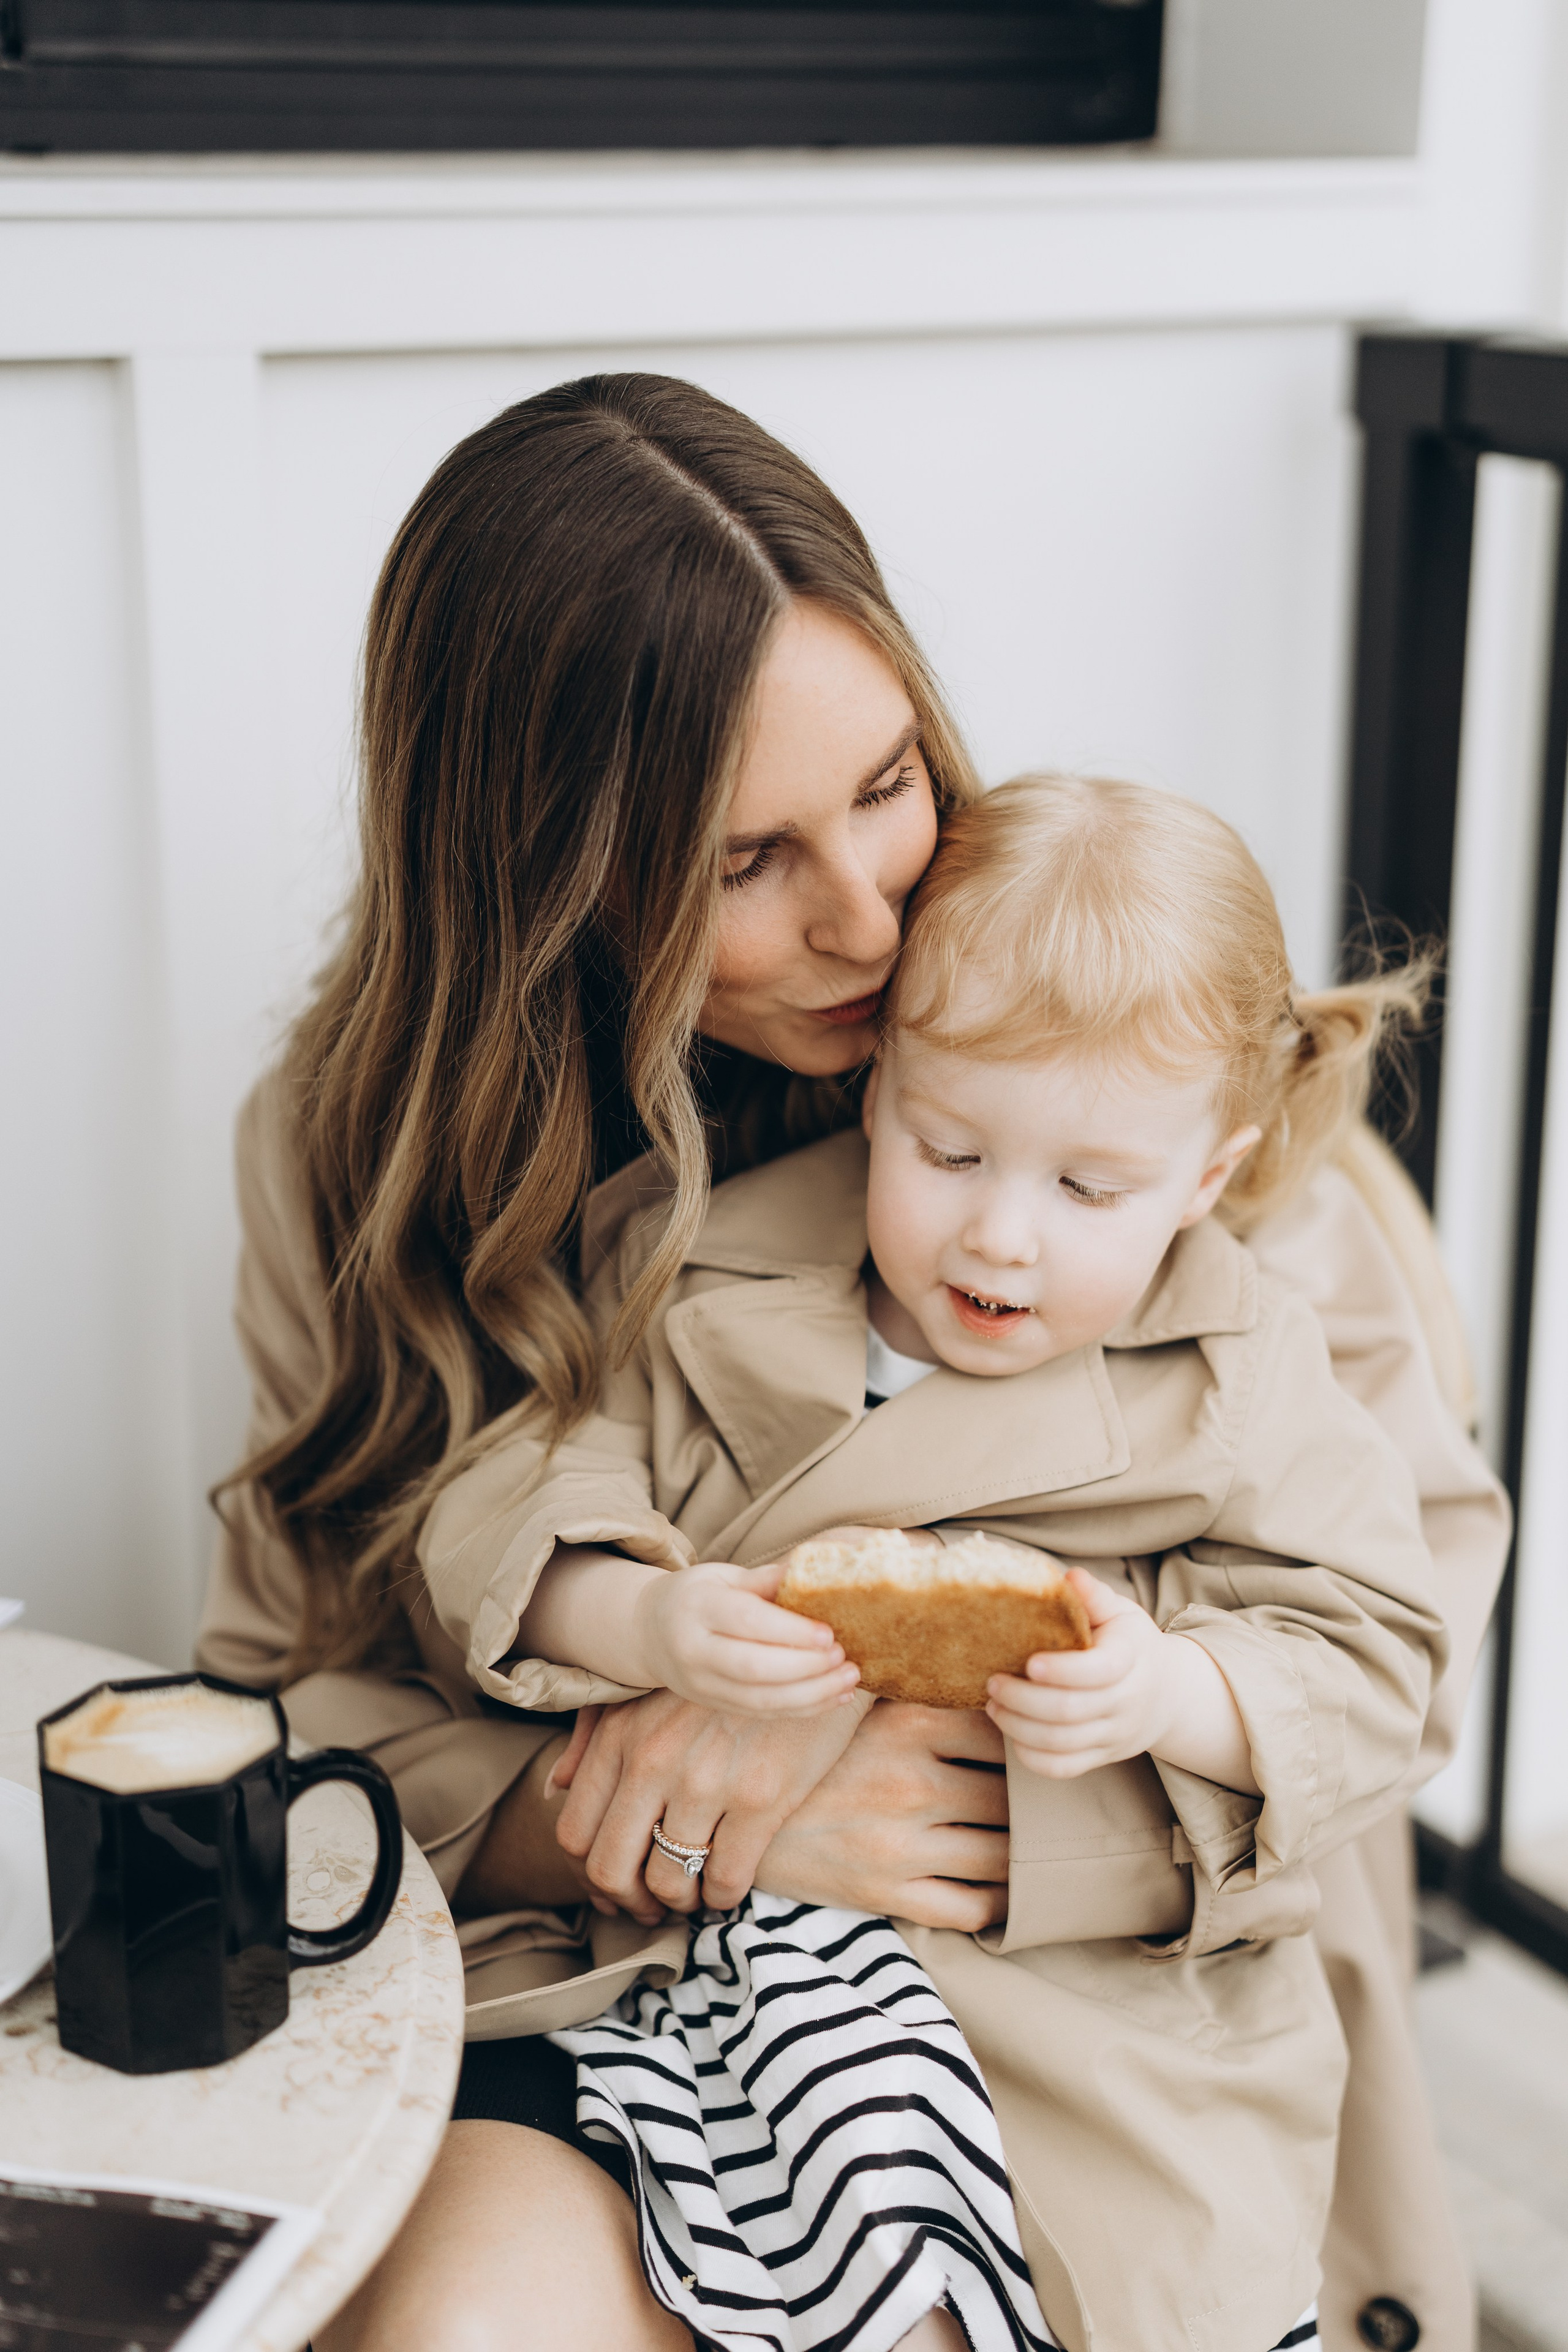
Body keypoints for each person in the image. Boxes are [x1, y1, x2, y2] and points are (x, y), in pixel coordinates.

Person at [194, 374, 1509, 2352]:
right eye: (740, 864)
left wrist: (979, 1801)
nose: (876, 919)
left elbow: (1382, 1648)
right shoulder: (373, 1163)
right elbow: (285, 1712)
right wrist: (648, 1777)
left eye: (890, 784)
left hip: (1098, 2000)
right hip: (598, 1976)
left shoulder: (1122, 1051)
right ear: (544, 872)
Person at [415, 774, 1446, 2352]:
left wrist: (1171, 1688)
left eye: (1088, 1188)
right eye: (949, 1150)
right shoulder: (705, 1260)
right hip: (689, 1975)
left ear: (1208, 1177)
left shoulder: (1241, 1371)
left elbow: (1375, 1651)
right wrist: (647, 1613)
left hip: (1074, 2019)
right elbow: (509, 1505)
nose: (1001, 1239)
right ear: (878, 1084)